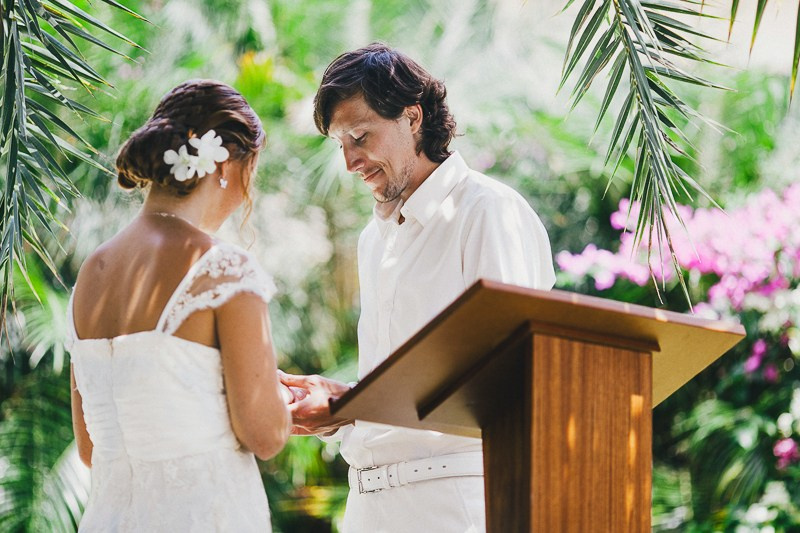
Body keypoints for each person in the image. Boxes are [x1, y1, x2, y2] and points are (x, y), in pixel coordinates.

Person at [280, 44, 556, 532]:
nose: (350, 162)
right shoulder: (373, 239)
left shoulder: (488, 211)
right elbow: (413, 384)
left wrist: (349, 403)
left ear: (412, 118)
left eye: (360, 137)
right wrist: (347, 404)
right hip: (368, 506)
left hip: (453, 504)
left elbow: (509, 379)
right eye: (340, 145)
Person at [65, 80, 292, 532]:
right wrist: (284, 398)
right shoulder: (223, 269)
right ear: (226, 166)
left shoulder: (92, 272)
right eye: (252, 171)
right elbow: (265, 436)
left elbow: (90, 449)